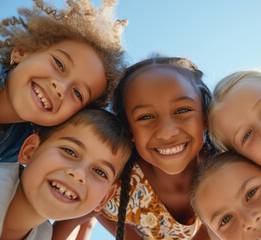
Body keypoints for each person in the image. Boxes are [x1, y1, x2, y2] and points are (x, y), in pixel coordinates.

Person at [0, 0, 127, 163]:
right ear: (22, 52)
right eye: (59, 64)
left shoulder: (20, 148)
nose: (60, 88)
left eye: (77, 94)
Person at [93, 56, 217, 239]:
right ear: (129, 129)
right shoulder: (117, 181)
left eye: (182, 110)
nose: (166, 133)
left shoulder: (228, 172)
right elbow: (88, 207)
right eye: (145, 117)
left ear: (205, 116)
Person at [0, 108, 132, 240]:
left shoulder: (43, 233)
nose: (79, 174)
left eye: (100, 172)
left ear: (104, 198)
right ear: (30, 151)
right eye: (69, 151)